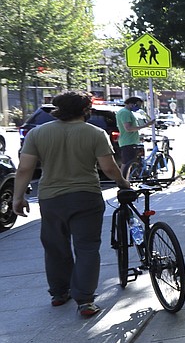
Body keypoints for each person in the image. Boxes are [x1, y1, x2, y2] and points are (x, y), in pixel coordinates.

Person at [13, 92, 133, 318]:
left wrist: (17, 197)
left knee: (55, 246)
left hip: (51, 199)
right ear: (85, 110)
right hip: (86, 197)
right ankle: (85, 300)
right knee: (87, 248)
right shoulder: (95, 133)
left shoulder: (38, 133)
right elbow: (108, 168)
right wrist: (123, 183)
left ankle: (59, 293)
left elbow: (24, 169)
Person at [115, 96, 148, 174]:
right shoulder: (125, 112)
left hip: (129, 141)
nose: (139, 107)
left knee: (128, 163)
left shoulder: (126, 112)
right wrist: (145, 126)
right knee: (126, 163)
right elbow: (128, 128)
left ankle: (125, 179)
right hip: (128, 142)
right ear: (131, 104)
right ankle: (123, 180)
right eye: (138, 105)